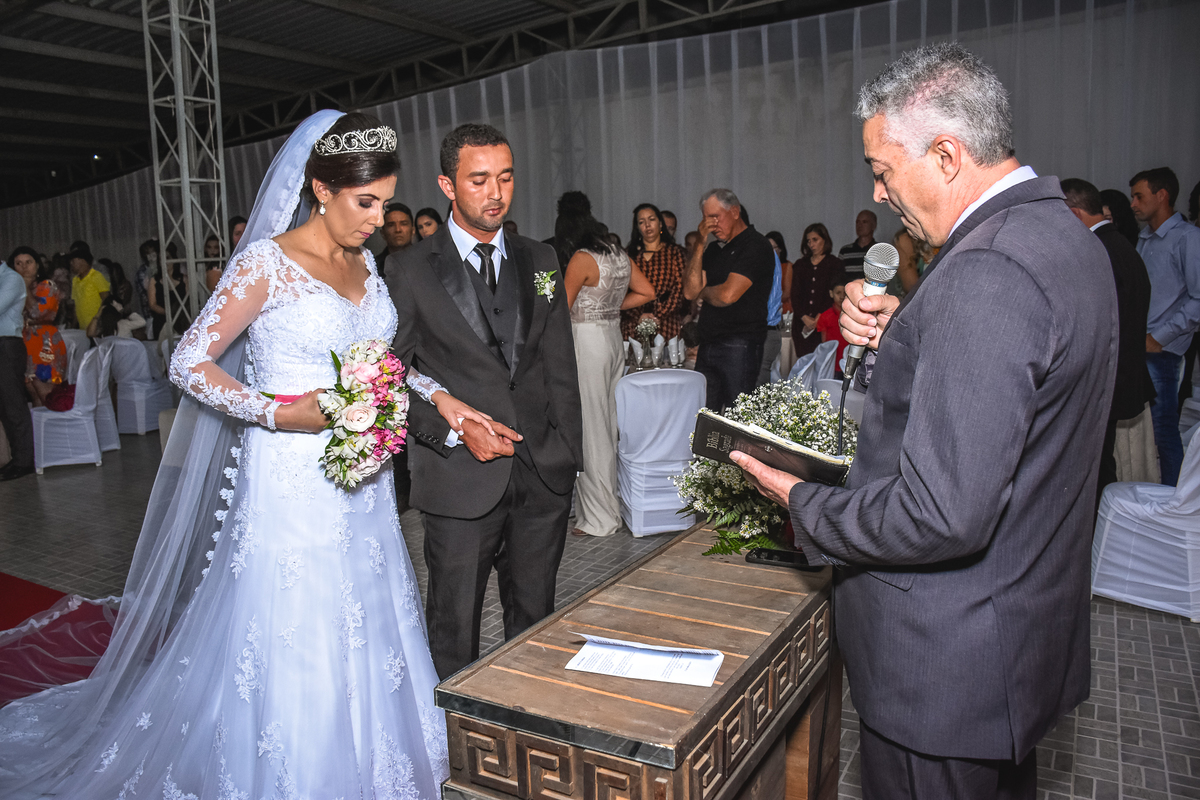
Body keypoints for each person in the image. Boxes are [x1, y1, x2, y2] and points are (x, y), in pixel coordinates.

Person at [0, 109, 475, 800]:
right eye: (365, 202)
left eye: (385, 202)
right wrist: (279, 413)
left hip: (363, 480)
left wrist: (437, 395)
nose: (379, 219)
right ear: (321, 188)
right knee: (298, 625)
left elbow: (380, 360)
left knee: (368, 611)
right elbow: (189, 362)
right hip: (291, 478)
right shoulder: (266, 264)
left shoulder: (366, 263)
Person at [730, 44, 1115, 800]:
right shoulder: (1062, 237)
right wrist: (905, 332)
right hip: (1011, 640)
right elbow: (1017, 387)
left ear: (945, 155)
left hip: (943, 667)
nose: (878, 190)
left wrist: (802, 500)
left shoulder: (988, 271)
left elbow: (941, 514)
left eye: (882, 169)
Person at [386, 123, 584, 679]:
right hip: (459, 476)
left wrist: (568, 455)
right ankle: (452, 733)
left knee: (535, 625)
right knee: (454, 631)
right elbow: (387, 376)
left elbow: (559, 361)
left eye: (505, 177)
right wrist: (449, 430)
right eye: (479, 180)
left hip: (542, 471)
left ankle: (525, 720)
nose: (495, 193)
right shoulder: (409, 268)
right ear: (448, 186)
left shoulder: (540, 258)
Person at [559, 196, 654, 538]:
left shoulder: (581, 258)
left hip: (587, 341)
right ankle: (610, 506)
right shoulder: (617, 253)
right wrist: (609, 307)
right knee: (609, 425)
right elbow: (647, 292)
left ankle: (599, 518)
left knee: (591, 428)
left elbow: (561, 308)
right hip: (613, 340)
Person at [1062, 178, 1155, 499]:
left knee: (1094, 468)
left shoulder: (1097, 250)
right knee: (1099, 462)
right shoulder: (1119, 245)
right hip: (1117, 375)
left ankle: (1095, 526)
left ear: (1074, 214)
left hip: (1103, 380)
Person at [1129, 166, 1200, 487]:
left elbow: (1198, 299)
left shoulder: (1188, 238)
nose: (1133, 204)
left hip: (1163, 351)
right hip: (1141, 345)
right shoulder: (1145, 238)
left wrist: (1159, 337)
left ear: (1162, 196)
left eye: (1139, 196)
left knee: (1163, 431)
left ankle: (1175, 499)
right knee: (1145, 433)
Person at [682, 189, 775, 411]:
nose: (710, 225)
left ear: (734, 212)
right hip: (708, 341)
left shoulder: (756, 245)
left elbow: (727, 295)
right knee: (706, 415)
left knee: (737, 415)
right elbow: (690, 292)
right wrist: (700, 244)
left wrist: (704, 292)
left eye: (715, 217)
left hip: (739, 343)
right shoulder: (714, 249)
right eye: (706, 218)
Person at [11, 246, 69, 408]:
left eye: (28, 262)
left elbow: (37, 313)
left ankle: (56, 425)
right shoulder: (12, 290)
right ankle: (40, 425)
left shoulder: (47, 286)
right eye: (18, 263)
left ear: (37, 265)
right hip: (24, 343)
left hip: (45, 343)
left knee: (47, 394)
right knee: (32, 392)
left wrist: (24, 288)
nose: (24, 267)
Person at [621, 203, 687, 341]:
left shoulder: (675, 253)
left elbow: (679, 290)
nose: (647, 225)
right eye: (641, 222)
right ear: (637, 227)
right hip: (633, 324)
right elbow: (620, 292)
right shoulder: (628, 255)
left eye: (651, 219)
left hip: (666, 324)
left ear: (660, 224)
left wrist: (656, 316)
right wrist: (638, 316)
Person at [1, 250, 35, 480]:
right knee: (4, 407)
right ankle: (16, 458)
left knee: (13, 404)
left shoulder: (11, 278)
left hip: (7, 345)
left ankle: (24, 462)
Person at [789, 223, 843, 359]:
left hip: (826, 321)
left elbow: (834, 293)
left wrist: (821, 315)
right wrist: (803, 316)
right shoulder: (801, 265)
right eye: (808, 241)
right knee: (804, 361)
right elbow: (795, 294)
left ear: (824, 240)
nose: (811, 244)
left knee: (824, 361)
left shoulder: (834, 264)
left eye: (815, 240)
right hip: (802, 323)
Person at [814, 276, 850, 378]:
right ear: (831, 293)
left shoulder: (853, 314)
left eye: (845, 293)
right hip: (832, 365)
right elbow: (824, 344)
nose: (842, 296)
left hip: (849, 363)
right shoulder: (825, 316)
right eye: (838, 293)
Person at [70, 247, 110, 330]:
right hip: (82, 328)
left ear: (82, 261)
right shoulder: (75, 280)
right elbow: (76, 305)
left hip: (96, 327)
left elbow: (106, 300)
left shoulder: (97, 276)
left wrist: (98, 319)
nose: (71, 263)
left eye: (73, 261)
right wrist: (73, 327)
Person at [376, 201, 416, 276]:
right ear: (383, 233)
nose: (398, 230)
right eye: (391, 225)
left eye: (403, 224)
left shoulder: (427, 261)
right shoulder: (373, 267)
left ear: (413, 230)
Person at [837, 209, 879, 278]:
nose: (860, 225)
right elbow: (838, 277)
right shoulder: (845, 251)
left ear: (873, 226)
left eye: (864, 222)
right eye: (857, 222)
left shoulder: (880, 250)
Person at [765, 231, 793, 314]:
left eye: (774, 248)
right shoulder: (762, 266)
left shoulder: (787, 266)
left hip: (783, 311)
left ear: (780, 249)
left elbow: (786, 293)